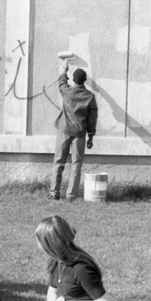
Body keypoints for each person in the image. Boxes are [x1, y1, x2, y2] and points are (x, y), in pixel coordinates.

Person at [49, 57, 98, 200]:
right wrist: (91, 136)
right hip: (80, 133)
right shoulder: (90, 97)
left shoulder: (67, 92)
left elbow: (62, 83)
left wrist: (64, 70)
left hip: (64, 129)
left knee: (59, 161)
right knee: (76, 164)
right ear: (85, 80)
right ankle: (71, 195)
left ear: (74, 80)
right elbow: (92, 119)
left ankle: (54, 192)